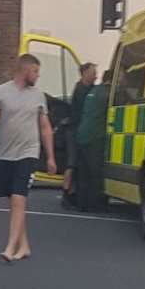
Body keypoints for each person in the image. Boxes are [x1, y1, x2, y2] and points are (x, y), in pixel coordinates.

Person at [0, 53, 57, 262]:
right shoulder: (0, 92)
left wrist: (50, 157)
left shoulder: (39, 96)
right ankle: (24, 246)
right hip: (5, 153)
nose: (37, 76)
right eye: (35, 71)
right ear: (24, 70)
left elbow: (45, 127)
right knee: (12, 202)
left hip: (28, 152)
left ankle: (10, 248)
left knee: (19, 199)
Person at [61, 62, 98, 208]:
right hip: (74, 131)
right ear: (84, 73)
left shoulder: (88, 88)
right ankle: (66, 195)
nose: (95, 75)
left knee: (77, 165)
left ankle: (73, 193)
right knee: (72, 163)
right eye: (93, 72)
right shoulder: (81, 90)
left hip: (80, 131)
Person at [73, 76, 111, 212]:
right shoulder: (109, 93)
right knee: (95, 173)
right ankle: (94, 204)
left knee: (83, 172)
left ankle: (81, 204)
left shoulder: (94, 90)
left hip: (82, 135)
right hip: (95, 136)